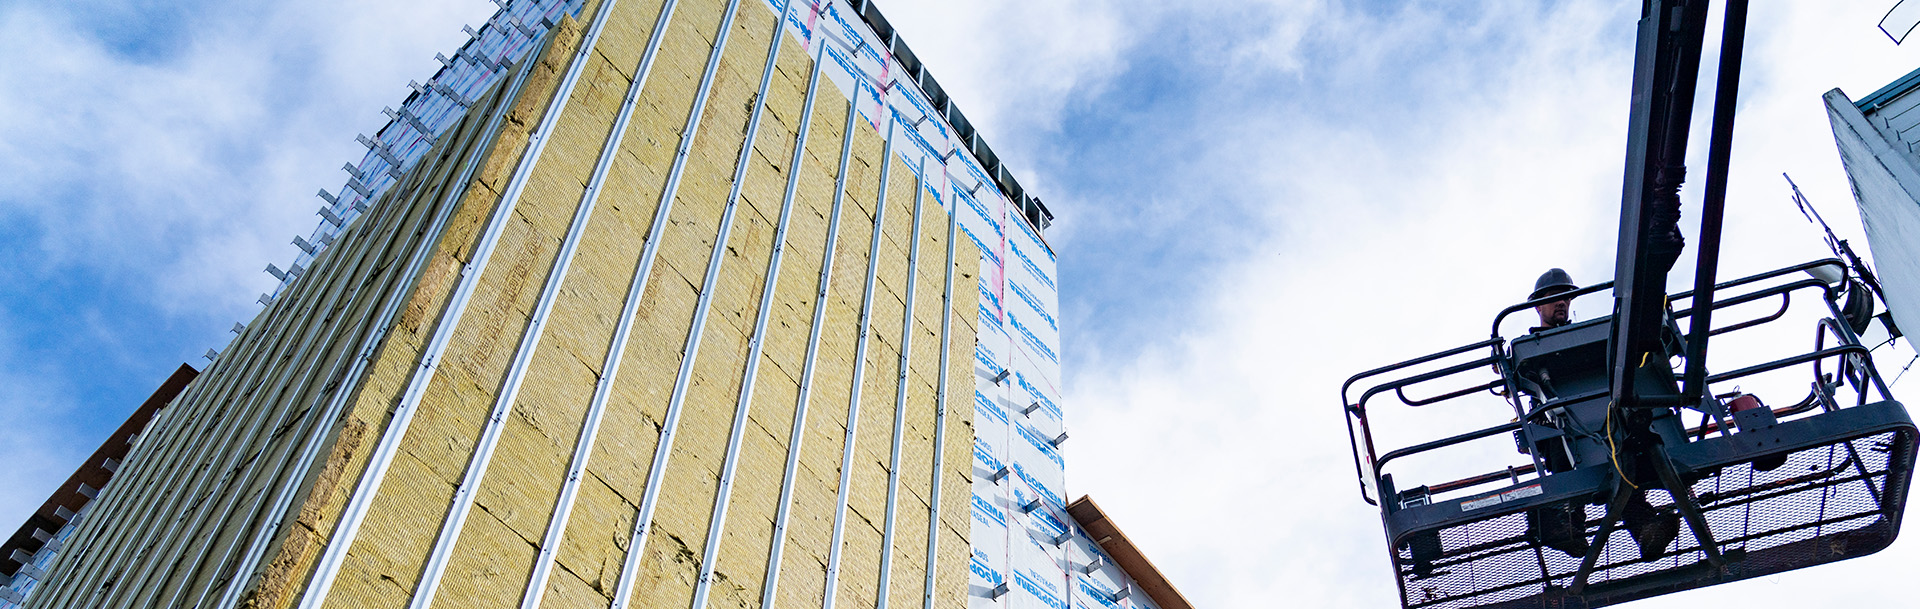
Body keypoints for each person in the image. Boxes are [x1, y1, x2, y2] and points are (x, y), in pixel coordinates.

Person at [1517, 268, 1680, 561]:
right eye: (1553, 298)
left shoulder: (1590, 336)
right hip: (1562, 427)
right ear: (1538, 306)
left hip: (1605, 421)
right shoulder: (1528, 350)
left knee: (1623, 459)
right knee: (1560, 438)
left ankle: (1646, 531)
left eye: (1566, 297)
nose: (1561, 303)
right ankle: (1563, 524)